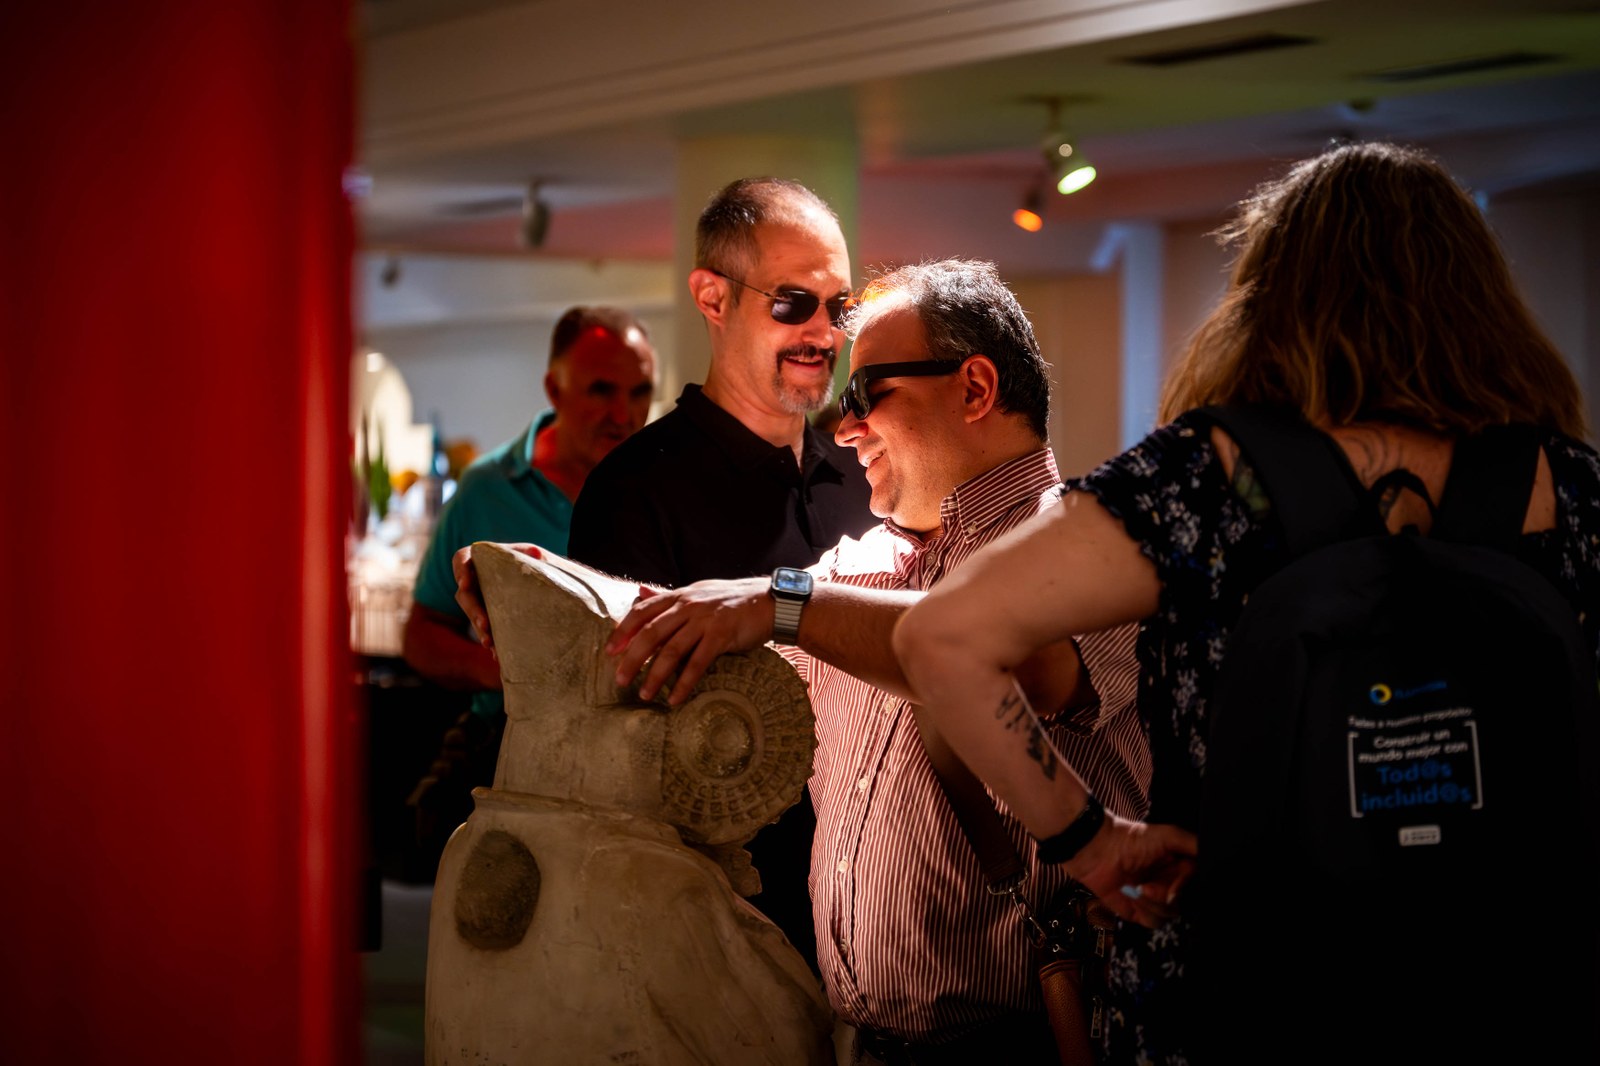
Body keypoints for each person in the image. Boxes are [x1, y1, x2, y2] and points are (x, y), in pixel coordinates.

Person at [890, 142, 1600, 1064]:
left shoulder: (1207, 482)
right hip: (1514, 991)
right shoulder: (1572, 490)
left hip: (1239, 998)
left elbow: (941, 634)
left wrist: (1091, 842)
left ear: (1270, 297)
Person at [458, 259, 1150, 1061]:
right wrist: (541, 582)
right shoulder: (857, 567)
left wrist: (784, 605)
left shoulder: (1096, 548)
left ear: (975, 388)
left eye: (868, 395)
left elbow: (997, 650)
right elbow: (693, 633)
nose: (845, 428)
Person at [566, 177, 877, 971]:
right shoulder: (635, 490)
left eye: (839, 307)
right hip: (728, 923)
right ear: (713, 298)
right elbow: (622, 736)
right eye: (791, 303)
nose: (822, 333)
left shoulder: (868, 471)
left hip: (880, 905)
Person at [400, 305, 658, 859]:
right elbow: (421, 633)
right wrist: (513, 672)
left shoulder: (662, 488)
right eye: (602, 390)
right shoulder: (486, 490)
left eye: (640, 392)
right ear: (554, 389)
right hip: (511, 756)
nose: (623, 413)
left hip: (639, 766)